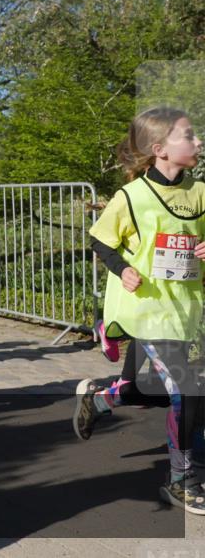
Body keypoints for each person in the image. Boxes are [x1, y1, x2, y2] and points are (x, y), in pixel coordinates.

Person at [73, 106, 205, 514]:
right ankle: (183, 479)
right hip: (146, 309)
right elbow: (101, 240)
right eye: (189, 136)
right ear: (160, 148)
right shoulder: (131, 197)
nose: (199, 142)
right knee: (186, 392)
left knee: (152, 392)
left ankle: (98, 401)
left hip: (188, 307)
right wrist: (124, 269)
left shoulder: (200, 193)